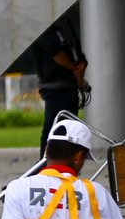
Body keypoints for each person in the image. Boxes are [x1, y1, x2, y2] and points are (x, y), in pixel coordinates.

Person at [32, 11, 87, 152]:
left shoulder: (64, 22)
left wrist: (81, 63)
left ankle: (63, 163)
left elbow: (75, 47)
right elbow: (54, 51)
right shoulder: (42, 21)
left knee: (68, 129)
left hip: (70, 84)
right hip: (53, 84)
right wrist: (76, 68)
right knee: (53, 127)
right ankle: (45, 165)